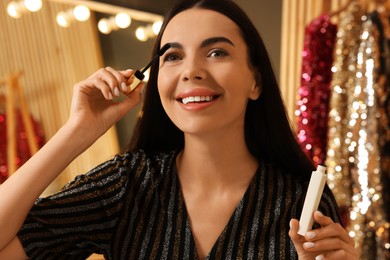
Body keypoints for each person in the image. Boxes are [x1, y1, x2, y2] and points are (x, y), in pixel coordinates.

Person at [0, 0, 357, 259]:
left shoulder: (301, 200)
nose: (191, 71)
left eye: (216, 52)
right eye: (172, 56)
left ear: (256, 81)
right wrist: (77, 131)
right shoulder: (126, 184)